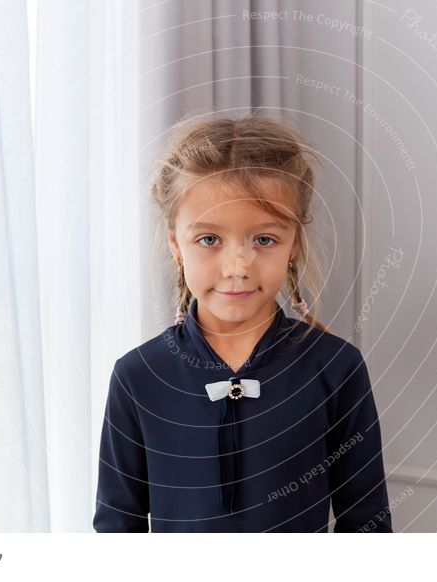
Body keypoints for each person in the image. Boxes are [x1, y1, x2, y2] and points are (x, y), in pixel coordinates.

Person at [93, 113, 392, 533]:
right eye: (209, 240)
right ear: (176, 245)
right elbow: (116, 528)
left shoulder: (336, 368)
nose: (238, 267)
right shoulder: (137, 376)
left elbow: (367, 525)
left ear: (293, 244)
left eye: (264, 239)